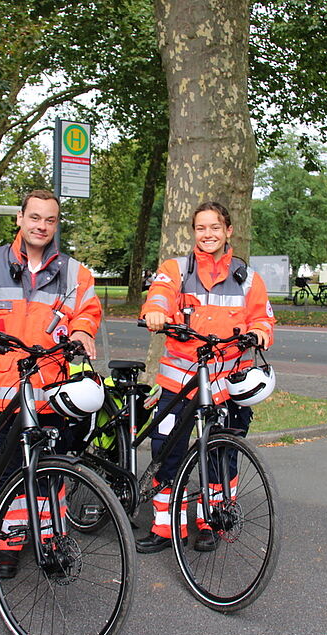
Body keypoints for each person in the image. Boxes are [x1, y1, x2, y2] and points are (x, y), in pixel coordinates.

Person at [0, 189, 102, 578]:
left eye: (50, 220)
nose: (41, 226)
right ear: (20, 218)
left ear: (56, 224)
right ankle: (7, 543)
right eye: (35, 217)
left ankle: (49, 540)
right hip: (3, 393)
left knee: (53, 471)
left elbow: (87, 312)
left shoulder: (76, 273)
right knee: (9, 472)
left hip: (50, 392)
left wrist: (82, 332)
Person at [137, 201, 275, 554]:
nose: (208, 234)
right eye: (201, 228)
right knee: (168, 452)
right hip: (178, 383)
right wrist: (154, 312)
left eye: (215, 227)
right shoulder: (176, 269)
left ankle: (213, 522)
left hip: (224, 386)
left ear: (228, 231)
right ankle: (167, 528)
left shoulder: (247, 277)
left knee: (221, 456)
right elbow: (160, 295)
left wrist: (259, 332)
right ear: (193, 231)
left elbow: (263, 318)